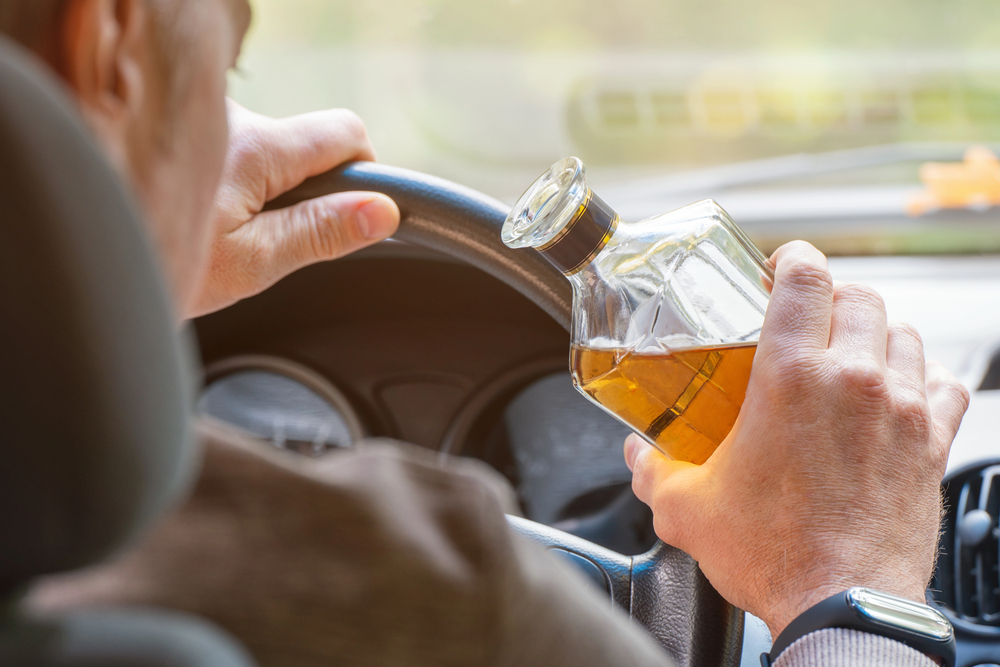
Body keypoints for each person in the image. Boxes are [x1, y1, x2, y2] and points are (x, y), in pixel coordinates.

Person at [0, 1, 971, 666]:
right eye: (226, 64)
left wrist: (108, 229)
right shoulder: (430, 594)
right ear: (114, 42)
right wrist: (845, 590)